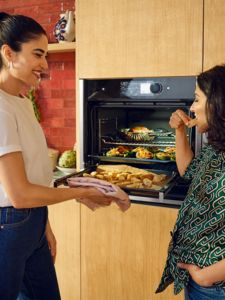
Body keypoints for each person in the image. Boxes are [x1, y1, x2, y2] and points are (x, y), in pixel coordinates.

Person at [0, 12, 129, 300]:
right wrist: (81, 191)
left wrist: (42, 225)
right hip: (8, 225)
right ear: (9, 53)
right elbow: (19, 194)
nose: (45, 65)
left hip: (29, 222)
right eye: (37, 55)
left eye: (45, 55)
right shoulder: (1, 108)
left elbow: (33, 178)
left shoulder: (20, 100)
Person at [156, 65, 225, 300]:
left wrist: (207, 276)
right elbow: (189, 171)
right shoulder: (217, 147)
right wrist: (179, 131)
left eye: (197, 99)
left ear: (217, 103)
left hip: (215, 285)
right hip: (202, 279)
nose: (192, 107)